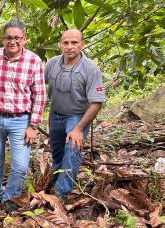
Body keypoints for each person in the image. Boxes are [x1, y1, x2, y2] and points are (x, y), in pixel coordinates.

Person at [0, 20, 46, 213]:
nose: (12, 41)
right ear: (3, 39)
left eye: (17, 38)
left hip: (20, 119)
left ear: (24, 39)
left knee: (20, 164)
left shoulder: (34, 61)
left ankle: (10, 197)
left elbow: (39, 95)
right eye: (8, 37)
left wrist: (33, 126)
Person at [45, 29, 105, 203]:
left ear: (82, 44)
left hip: (77, 116)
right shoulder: (52, 64)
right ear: (60, 45)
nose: (69, 47)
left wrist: (79, 128)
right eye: (65, 43)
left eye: (74, 43)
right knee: (57, 153)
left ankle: (61, 193)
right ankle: (56, 182)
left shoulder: (91, 69)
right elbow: (38, 86)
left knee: (72, 148)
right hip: (55, 114)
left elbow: (97, 102)